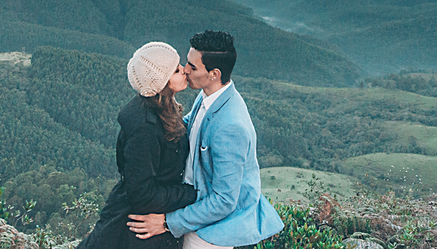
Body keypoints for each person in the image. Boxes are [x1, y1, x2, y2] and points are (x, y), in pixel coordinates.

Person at [128, 31, 283, 249]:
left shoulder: (230, 126)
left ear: (214, 74)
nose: (185, 70)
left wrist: (166, 222)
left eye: (193, 67)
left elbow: (224, 201)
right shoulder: (208, 96)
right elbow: (189, 126)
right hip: (192, 209)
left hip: (209, 233)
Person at [78, 41, 198, 249]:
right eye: (175, 70)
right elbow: (142, 193)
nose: (184, 70)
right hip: (135, 230)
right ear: (161, 82)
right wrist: (190, 194)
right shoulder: (144, 127)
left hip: (146, 224)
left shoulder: (164, 109)